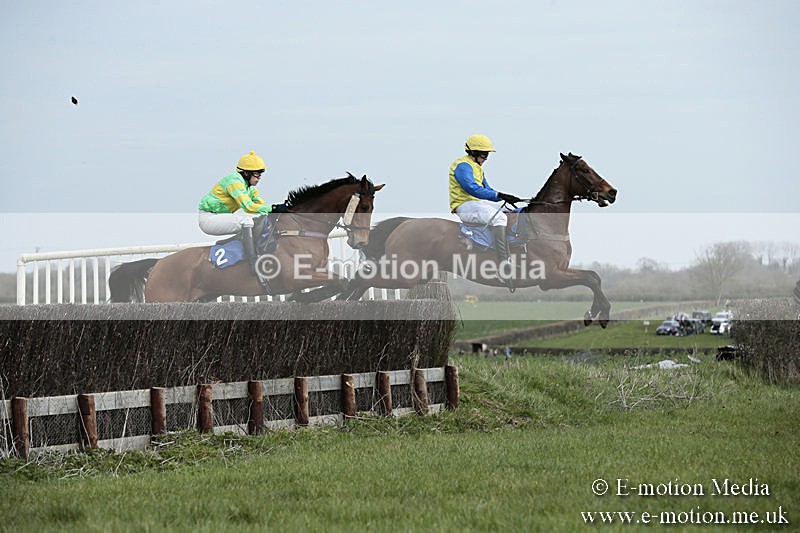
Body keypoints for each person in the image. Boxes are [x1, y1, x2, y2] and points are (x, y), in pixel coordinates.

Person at [449, 134, 523, 287]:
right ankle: (504, 265)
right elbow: (472, 188)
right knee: (500, 219)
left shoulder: (478, 168)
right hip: (464, 205)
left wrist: (505, 198)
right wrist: (498, 195)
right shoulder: (463, 166)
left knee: (509, 213)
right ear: (474, 152)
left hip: (476, 204)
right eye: (485, 154)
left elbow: (487, 190)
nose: (487, 158)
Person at [198, 151, 288, 273]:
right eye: (257, 174)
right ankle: (252, 262)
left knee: (259, 218)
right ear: (246, 173)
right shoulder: (234, 182)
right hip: (208, 219)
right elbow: (248, 207)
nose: (259, 178)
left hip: (219, 217)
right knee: (247, 220)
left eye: (260, 175)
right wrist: (274, 208)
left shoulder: (250, 188)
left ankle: (230, 245)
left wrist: (281, 210)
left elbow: (261, 207)